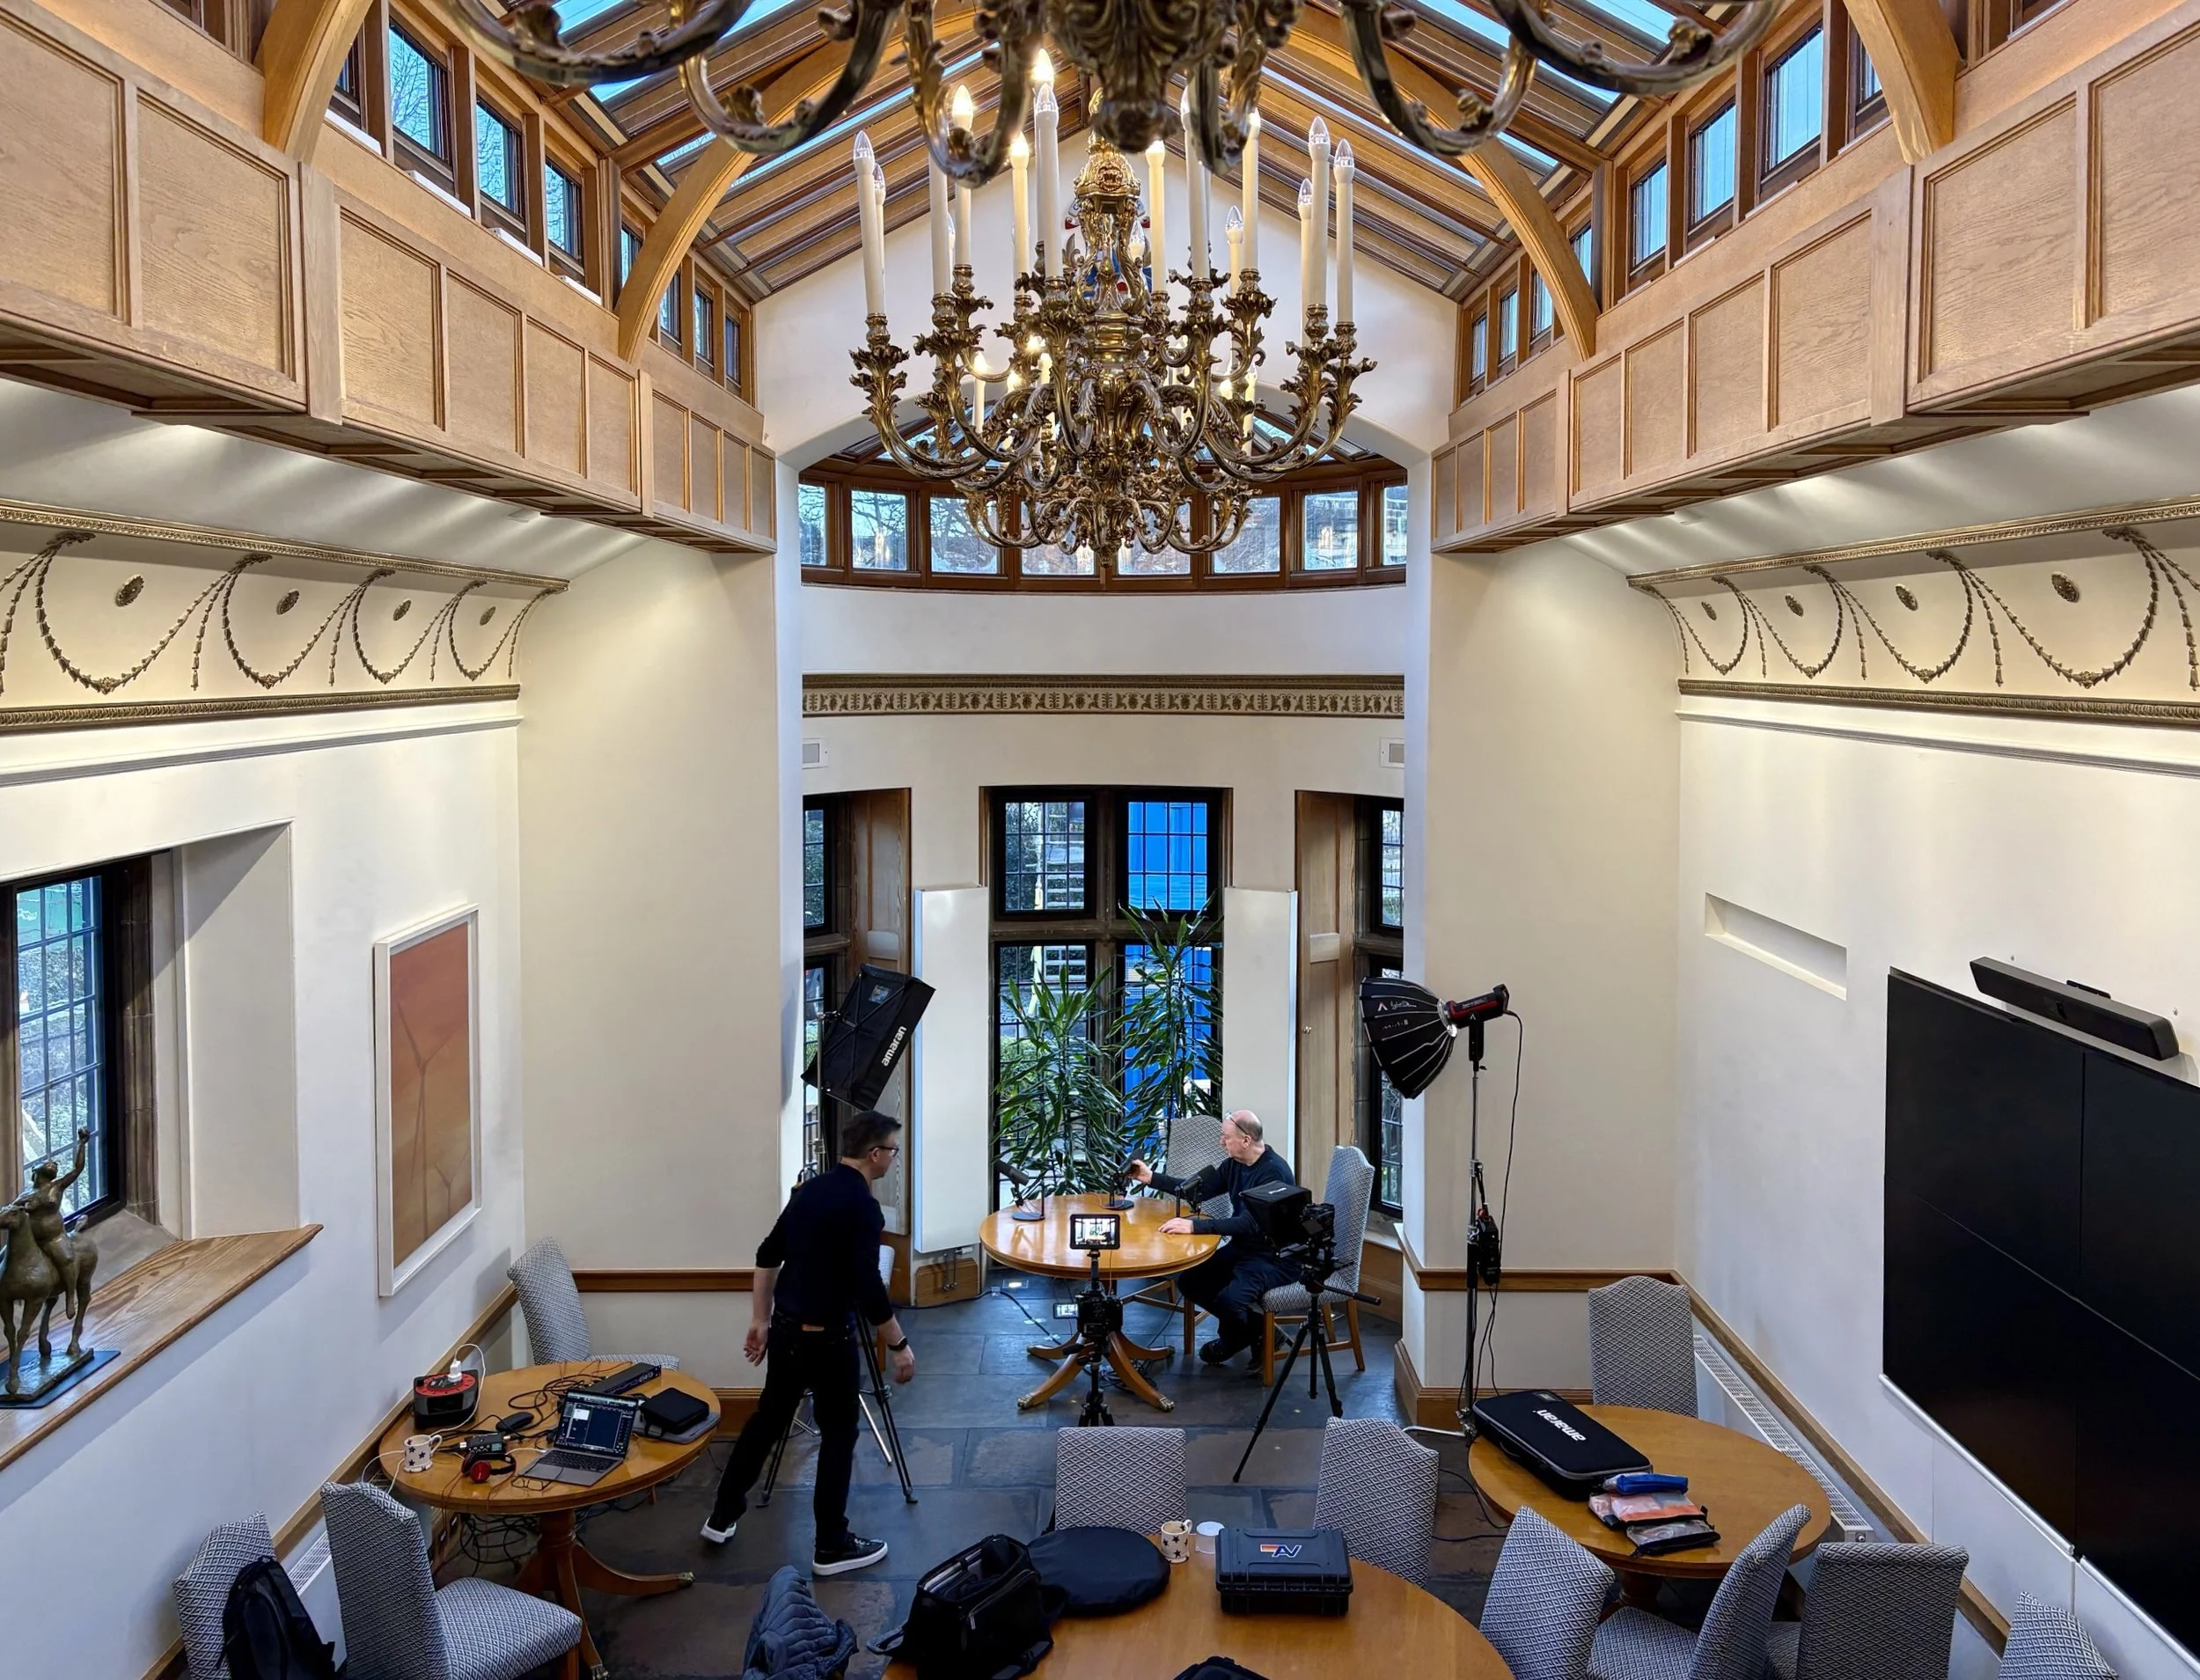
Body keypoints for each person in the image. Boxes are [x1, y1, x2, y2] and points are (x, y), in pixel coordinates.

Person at [702, 1110, 915, 1574]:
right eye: (893, 1151)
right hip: (829, 1340)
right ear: (875, 1154)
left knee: (767, 1420)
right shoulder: (863, 1207)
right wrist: (897, 1343)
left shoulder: (810, 1191)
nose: (894, 1160)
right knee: (840, 1433)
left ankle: (721, 1516)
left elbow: (767, 1253)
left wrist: (760, 1320)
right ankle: (831, 1545)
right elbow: (866, 1283)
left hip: (786, 1333)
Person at [1127, 1110, 1297, 1367]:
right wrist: (1150, 1178)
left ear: (1246, 1141)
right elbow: (1199, 1189)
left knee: (1230, 1302)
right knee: (1189, 1281)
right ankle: (1259, 1333)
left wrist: (1195, 1227)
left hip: (1272, 1257)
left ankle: (1240, 1338)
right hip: (1243, 1249)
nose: (1221, 1142)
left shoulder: (1274, 1174)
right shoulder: (1234, 1164)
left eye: (1225, 1138)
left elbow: (1250, 1224)